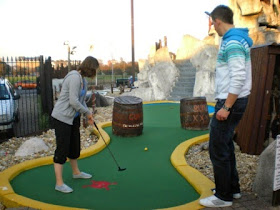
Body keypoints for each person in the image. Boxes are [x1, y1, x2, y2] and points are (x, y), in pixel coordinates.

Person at [199, 5, 253, 208]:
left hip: (231, 102)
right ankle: (233, 189)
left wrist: (226, 107)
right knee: (226, 144)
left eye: (212, 22)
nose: (212, 25)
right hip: (234, 100)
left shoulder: (232, 42)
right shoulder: (235, 39)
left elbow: (238, 77)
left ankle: (223, 197)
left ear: (217, 21)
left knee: (218, 147)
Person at [51, 56, 99, 193]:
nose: (95, 72)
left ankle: (76, 172)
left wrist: (87, 114)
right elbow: (73, 101)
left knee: (74, 147)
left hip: (73, 118)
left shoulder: (83, 81)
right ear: (90, 68)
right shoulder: (74, 77)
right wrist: (87, 112)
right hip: (62, 118)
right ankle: (59, 184)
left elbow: (81, 101)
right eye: (94, 69)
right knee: (62, 150)